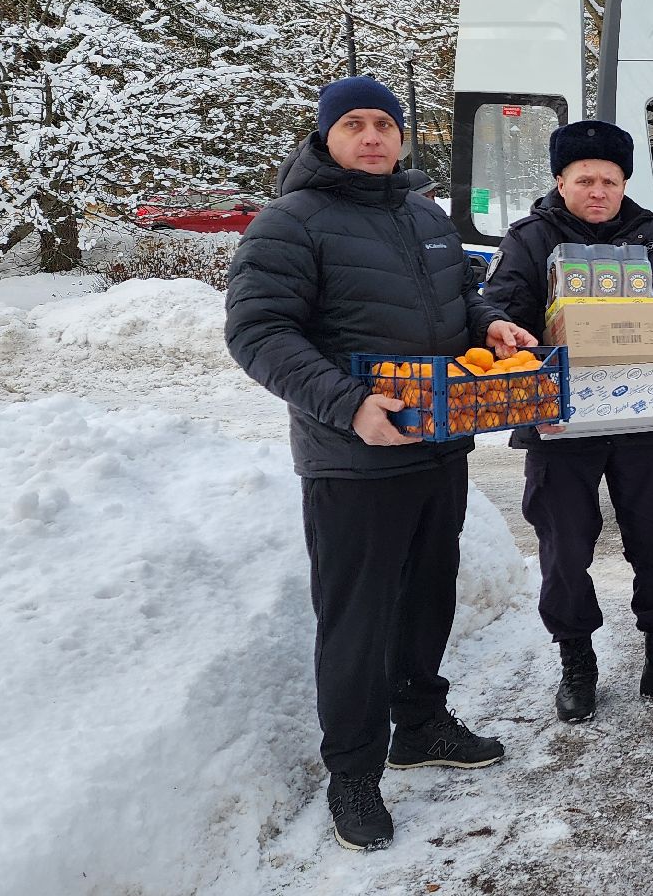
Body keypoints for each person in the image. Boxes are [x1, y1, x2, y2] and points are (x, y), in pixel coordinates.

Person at [225, 76, 534, 852]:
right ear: (326, 136)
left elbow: (464, 300)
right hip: (352, 461)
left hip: (438, 443)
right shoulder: (289, 224)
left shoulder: (423, 214)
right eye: (354, 124)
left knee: (428, 597)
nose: (372, 137)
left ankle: (420, 722)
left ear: (402, 138)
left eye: (384, 125)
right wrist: (349, 404)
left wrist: (494, 326)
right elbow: (259, 334)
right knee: (357, 621)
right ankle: (354, 772)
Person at [482, 120, 653, 721]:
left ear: (625, 183)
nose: (598, 191)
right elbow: (491, 312)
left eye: (609, 181)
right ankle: (576, 662)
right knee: (564, 547)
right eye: (584, 179)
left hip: (644, 422)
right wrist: (515, 337)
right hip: (561, 426)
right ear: (560, 181)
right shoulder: (530, 240)